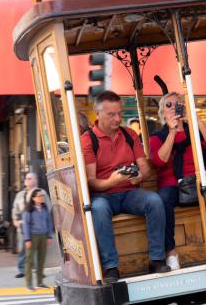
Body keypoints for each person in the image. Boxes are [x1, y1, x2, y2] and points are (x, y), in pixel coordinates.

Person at [81, 91, 169, 284]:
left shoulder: (129, 134)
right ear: (98, 113)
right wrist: (112, 181)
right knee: (97, 209)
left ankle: (157, 259)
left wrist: (139, 176)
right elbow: (91, 181)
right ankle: (111, 267)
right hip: (103, 194)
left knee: (155, 201)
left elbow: (144, 167)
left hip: (129, 192)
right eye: (111, 114)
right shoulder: (88, 140)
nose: (118, 118)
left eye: (119, 113)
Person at [150, 92, 206, 267]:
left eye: (178, 104)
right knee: (162, 200)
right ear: (162, 113)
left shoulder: (193, 131)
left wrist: (195, 119)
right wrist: (172, 132)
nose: (173, 108)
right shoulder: (157, 137)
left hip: (196, 178)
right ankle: (170, 251)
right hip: (172, 183)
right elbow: (160, 160)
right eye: (168, 105)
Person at [12, 172, 51, 279]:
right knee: (22, 249)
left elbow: (48, 208)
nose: (27, 180)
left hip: (38, 228)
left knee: (39, 251)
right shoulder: (19, 195)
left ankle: (39, 271)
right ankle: (22, 270)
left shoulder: (42, 193)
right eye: (26, 179)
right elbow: (15, 209)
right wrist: (15, 220)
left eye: (30, 178)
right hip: (23, 227)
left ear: (35, 180)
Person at [22, 188, 53, 291]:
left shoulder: (44, 209)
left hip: (43, 236)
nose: (42, 197)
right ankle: (28, 284)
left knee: (41, 260)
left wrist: (49, 236)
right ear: (34, 198)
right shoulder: (28, 210)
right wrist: (27, 239)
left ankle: (40, 282)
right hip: (32, 237)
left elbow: (49, 223)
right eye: (39, 196)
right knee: (29, 261)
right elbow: (25, 225)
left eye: (42, 195)